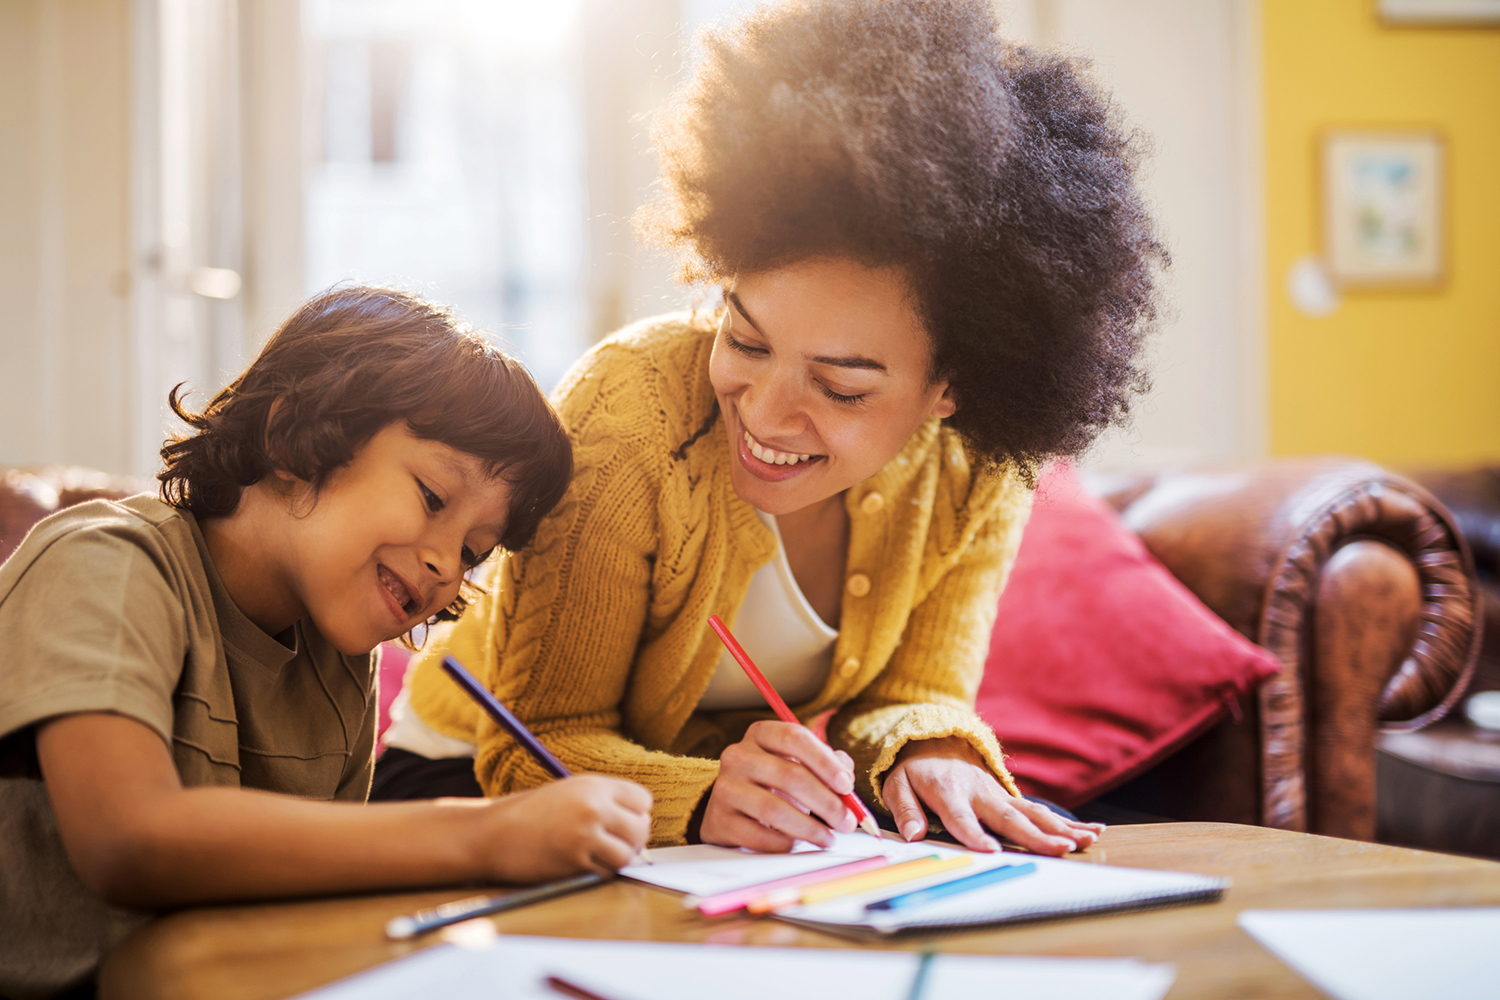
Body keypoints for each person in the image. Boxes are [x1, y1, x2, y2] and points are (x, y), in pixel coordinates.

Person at [383, 0, 1164, 856]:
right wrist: (706, 791)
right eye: (745, 339)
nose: (760, 410)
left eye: (840, 387)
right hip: (473, 783)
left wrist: (931, 748)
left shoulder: (972, 468)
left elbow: (912, 692)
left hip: (721, 825)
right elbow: (537, 745)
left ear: (952, 388)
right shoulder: (628, 420)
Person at [0, 287, 653, 1000]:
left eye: (473, 551)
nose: (445, 564)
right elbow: (128, 841)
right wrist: (485, 832)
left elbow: (313, 886)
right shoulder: (107, 562)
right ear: (294, 438)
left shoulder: (340, 661)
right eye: (433, 497)